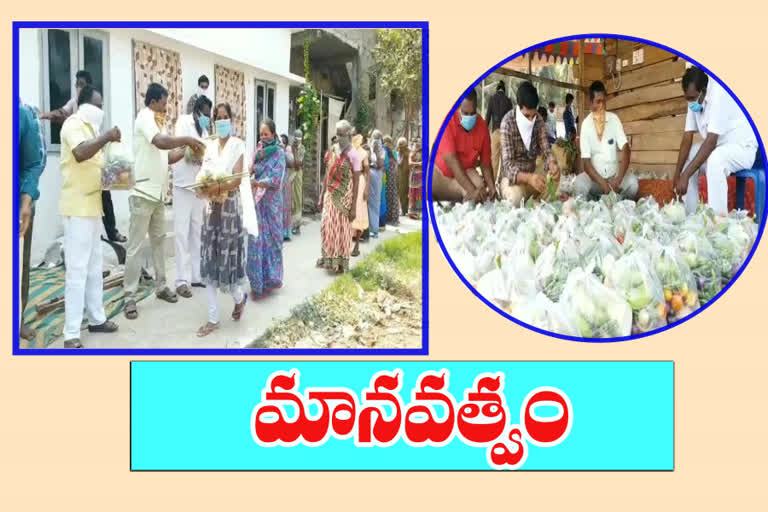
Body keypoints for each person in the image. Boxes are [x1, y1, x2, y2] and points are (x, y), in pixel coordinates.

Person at [123, 83, 205, 320]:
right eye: (164, 102)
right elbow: (160, 142)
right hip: (142, 192)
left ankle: (160, 286)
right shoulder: (145, 118)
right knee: (136, 247)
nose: (166, 107)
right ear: (153, 102)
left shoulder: (155, 123)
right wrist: (188, 139)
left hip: (157, 195)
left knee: (158, 243)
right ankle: (129, 296)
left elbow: (166, 156)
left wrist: (188, 151)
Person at [58, 85, 121, 348]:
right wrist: (107, 137)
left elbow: (99, 167)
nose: (100, 110)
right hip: (77, 209)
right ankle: (71, 333)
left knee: (95, 268)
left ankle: (97, 319)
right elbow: (81, 153)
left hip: (94, 208)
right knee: (77, 270)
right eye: (97, 105)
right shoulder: (73, 125)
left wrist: (118, 174)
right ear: (83, 105)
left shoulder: (92, 130)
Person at [40, 70, 125, 243]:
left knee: (106, 197)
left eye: (82, 84)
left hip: (92, 204)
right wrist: (44, 115)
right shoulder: (74, 121)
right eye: (77, 84)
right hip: (79, 206)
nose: (79, 88)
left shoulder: (93, 126)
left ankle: (111, 231)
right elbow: (79, 151)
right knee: (79, 261)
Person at [196, 103, 256, 337]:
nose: (221, 121)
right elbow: (203, 172)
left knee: (228, 264)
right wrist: (203, 186)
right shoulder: (210, 146)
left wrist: (215, 186)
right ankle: (213, 318)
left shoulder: (237, 144)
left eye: (225, 117)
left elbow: (237, 179)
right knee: (210, 260)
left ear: (231, 120)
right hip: (211, 209)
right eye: (217, 118)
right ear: (213, 121)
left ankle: (240, 299)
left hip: (230, 209)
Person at [674, 66, 758, 215]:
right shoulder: (693, 99)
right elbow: (687, 136)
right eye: (687, 98)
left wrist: (685, 175)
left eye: (693, 98)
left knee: (715, 160)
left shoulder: (719, 93)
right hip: (720, 145)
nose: (690, 102)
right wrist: (678, 173)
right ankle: (689, 216)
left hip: (741, 147)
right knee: (691, 156)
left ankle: (718, 221)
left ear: (704, 91)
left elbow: (711, 141)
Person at [172, 95, 212, 299]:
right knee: (181, 234)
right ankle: (181, 280)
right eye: (205, 114)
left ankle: (196, 275)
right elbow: (182, 149)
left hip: (199, 188)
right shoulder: (183, 122)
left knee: (198, 233)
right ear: (197, 112)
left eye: (209, 114)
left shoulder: (204, 130)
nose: (207, 117)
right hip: (182, 186)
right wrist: (196, 151)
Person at [498, 81, 560, 205]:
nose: (531, 120)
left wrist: (552, 164)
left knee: (554, 178)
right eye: (526, 116)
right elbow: (507, 166)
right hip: (513, 181)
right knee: (515, 197)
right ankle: (530, 200)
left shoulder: (538, 121)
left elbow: (546, 151)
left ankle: (534, 202)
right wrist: (528, 178)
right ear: (518, 107)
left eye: (533, 116)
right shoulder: (508, 123)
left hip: (533, 177)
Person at [573, 80, 637, 200]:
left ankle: (617, 203)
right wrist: (602, 183)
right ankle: (602, 201)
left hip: (614, 179)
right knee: (579, 184)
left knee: (633, 184)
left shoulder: (614, 119)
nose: (601, 106)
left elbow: (626, 149)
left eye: (603, 101)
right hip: (596, 181)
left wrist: (618, 180)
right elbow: (586, 163)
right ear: (591, 103)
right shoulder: (586, 125)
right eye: (598, 102)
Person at [432, 89, 495, 203]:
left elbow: (485, 163)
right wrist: (471, 190)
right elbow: (451, 160)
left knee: (479, 187)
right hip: (441, 175)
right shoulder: (447, 121)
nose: (469, 117)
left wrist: (492, 187)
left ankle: (464, 196)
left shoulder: (482, 126)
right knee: (471, 193)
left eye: (472, 113)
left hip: (466, 173)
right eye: (465, 113)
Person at [247, 119, 286, 299]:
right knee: (256, 241)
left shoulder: (279, 153)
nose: (263, 137)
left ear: (273, 134)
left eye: (266, 134)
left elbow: (276, 179)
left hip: (271, 204)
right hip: (257, 202)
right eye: (261, 134)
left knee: (272, 241)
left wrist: (259, 182)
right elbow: (251, 169)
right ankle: (257, 284)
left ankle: (271, 280)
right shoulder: (258, 151)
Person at [317, 120, 362, 273]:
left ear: (349, 134)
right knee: (326, 226)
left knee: (341, 230)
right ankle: (327, 257)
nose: (338, 137)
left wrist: (354, 207)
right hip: (330, 195)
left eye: (341, 134)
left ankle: (340, 262)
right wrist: (322, 194)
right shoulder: (332, 150)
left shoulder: (354, 155)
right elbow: (327, 173)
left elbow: (356, 183)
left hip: (345, 197)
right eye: (337, 134)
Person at [18, 100, 47, 341]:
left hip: (18, 206)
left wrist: (26, 203)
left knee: (19, 266)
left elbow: (33, 162)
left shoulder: (21, 113)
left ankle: (17, 320)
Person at [485, 80, 514, 183]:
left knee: (494, 160)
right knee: (505, 161)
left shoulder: (492, 99)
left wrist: (485, 135)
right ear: (504, 90)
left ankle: (492, 183)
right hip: (505, 134)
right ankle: (502, 183)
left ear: (497, 89)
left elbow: (488, 117)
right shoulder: (508, 100)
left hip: (495, 133)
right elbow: (511, 120)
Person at [350, 134, 370, 257]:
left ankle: (356, 245)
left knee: (358, 213)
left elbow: (368, 172)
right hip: (349, 183)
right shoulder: (348, 151)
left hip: (360, 183)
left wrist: (367, 188)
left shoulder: (363, 153)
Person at [367, 130, 385, 238]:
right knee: (367, 201)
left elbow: (379, 165)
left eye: (378, 138)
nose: (376, 141)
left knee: (375, 202)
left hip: (376, 176)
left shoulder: (382, 151)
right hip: (368, 174)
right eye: (375, 138)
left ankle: (374, 229)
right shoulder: (369, 148)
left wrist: (376, 151)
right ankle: (368, 227)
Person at [383, 135, 401, 226]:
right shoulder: (393, 152)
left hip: (388, 176)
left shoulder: (386, 150)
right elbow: (397, 164)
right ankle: (393, 218)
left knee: (388, 195)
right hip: (393, 175)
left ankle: (390, 218)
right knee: (392, 195)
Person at [280, 134, 294, 241]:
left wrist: (284, 152)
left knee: (285, 207)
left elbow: (291, 163)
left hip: (285, 184)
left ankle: (286, 232)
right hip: (276, 185)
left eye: (283, 142)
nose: (281, 144)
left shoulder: (287, 153)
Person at [291, 129, 305, 234]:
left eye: (299, 139)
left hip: (297, 175)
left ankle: (297, 224)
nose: (297, 141)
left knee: (297, 198)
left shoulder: (302, 148)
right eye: (296, 139)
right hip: (290, 176)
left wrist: (295, 151)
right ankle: (290, 226)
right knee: (290, 199)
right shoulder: (290, 147)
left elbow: (298, 163)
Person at [408, 138, 423, 219]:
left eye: (419, 144)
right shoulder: (412, 153)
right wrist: (418, 163)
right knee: (412, 194)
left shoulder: (423, 153)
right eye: (416, 144)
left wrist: (417, 164)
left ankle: (419, 212)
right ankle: (412, 212)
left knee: (419, 194)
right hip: (413, 176)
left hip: (421, 176)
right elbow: (410, 163)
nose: (417, 145)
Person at [397, 137, 410, 215]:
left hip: (410, 175)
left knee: (410, 193)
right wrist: (403, 156)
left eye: (402, 146)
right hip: (402, 175)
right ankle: (403, 209)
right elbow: (399, 163)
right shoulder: (399, 153)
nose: (401, 148)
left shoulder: (409, 152)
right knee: (402, 192)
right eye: (400, 146)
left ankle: (409, 209)